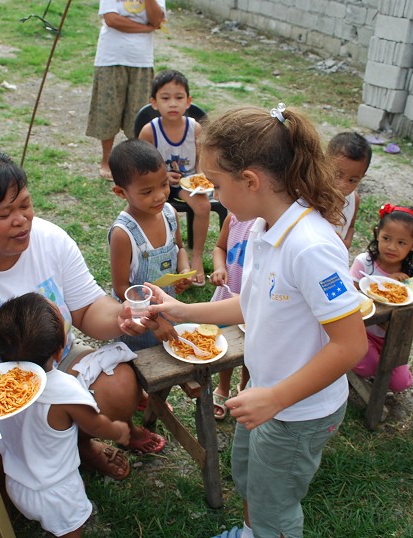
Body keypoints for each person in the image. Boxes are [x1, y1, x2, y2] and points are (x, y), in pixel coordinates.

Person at [145, 105, 368, 537]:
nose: (212, 195)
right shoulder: (267, 226)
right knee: (250, 478)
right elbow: (250, 305)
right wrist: (181, 311)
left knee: (275, 507)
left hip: (296, 410)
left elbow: (351, 345)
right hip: (267, 395)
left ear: (250, 181)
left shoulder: (310, 247)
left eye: (216, 184)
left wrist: (278, 398)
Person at [0, 148, 166, 484]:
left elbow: (88, 308)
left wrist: (120, 315)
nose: (21, 220)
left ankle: (80, 446)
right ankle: (7, 489)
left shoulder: (48, 239)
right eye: (4, 214)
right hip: (0, 390)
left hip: (57, 364)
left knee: (121, 385)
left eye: (24, 205)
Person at [0, 294, 131, 537]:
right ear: (58, 353)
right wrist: (116, 431)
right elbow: (94, 425)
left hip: (16, 481)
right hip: (57, 492)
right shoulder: (64, 389)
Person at [109, 139, 192, 351]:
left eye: (164, 184)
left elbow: (179, 248)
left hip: (169, 311)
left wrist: (183, 272)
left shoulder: (169, 213)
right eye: (146, 192)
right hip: (139, 323)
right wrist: (154, 320)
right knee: (142, 371)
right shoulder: (123, 234)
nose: (159, 196)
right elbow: (121, 288)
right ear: (121, 192)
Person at [349, 204, 413, 392]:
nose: (391, 247)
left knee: (401, 384)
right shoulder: (364, 263)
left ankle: (376, 363)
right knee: (368, 367)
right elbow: (350, 298)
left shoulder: (411, 274)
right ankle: (351, 359)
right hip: (360, 331)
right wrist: (383, 284)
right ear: (377, 233)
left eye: (401, 243)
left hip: (392, 336)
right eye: (386, 238)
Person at [139, 69, 209, 285]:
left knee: (203, 206)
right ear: (153, 102)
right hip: (158, 185)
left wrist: (201, 177)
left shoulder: (195, 128)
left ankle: (196, 254)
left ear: (188, 102)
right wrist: (162, 177)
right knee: (151, 208)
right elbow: (141, 164)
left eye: (179, 98)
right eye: (165, 98)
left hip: (188, 183)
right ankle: (162, 253)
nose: (172, 104)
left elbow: (201, 158)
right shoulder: (149, 131)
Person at [86, 0, 165, 180]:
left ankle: (134, 162)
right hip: (111, 57)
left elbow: (157, 20)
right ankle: (106, 160)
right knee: (108, 111)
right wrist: (145, 28)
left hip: (141, 60)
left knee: (138, 115)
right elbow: (112, 19)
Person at [208, 213, 254, 420]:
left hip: (254, 302)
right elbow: (220, 247)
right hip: (228, 294)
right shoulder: (235, 218)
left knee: (251, 348)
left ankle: (245, 386)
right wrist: (219, 267)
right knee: (224, 345)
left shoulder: (274, 223)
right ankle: (223, 387)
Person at [327, 132, 371, 249]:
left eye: (352, 180)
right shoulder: (310, 194)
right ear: (324, 164)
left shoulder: (353, 200)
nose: (342, 185)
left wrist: (347, 242)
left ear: (362, 178)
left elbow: (350, 227)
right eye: (337, 175)